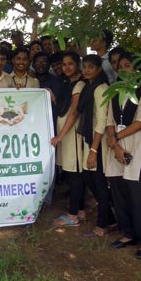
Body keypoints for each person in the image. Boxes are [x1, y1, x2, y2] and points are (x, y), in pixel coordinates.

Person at [105, 52, 141, 258]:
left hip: (137, 143)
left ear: (137, 69)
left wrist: (115, 138)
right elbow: (109, 119)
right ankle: (128, 233)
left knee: (138, 194)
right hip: (116, 144)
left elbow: (140, 122)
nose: (123, 69)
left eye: (128, 65)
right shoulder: (115, 91)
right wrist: (115, 145)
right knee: (119, 191)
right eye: (120, 66)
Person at [77, 54, 116, 237]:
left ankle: (102, 225)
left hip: (98, 142)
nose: (86, 70)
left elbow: (101, 121)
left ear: (99, 69)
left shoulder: (101, 88)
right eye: (84, 66)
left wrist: (94, 150)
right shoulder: (89, 87)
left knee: (99, 183)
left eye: (91, 67)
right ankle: (111, 219)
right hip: (90, 140)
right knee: (89, 179)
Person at [51, 52, 86, 225]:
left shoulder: (79, 84)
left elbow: (74, 112)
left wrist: (60, 136)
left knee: (75, 175)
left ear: (78, 65)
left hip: (72, 135)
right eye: (64, 64)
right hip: (65, 134)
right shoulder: (67, 83)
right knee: (72, 174)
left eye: (70, 64)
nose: (67, 67)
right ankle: (80, 210)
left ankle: (72, 216)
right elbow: (63, 106)